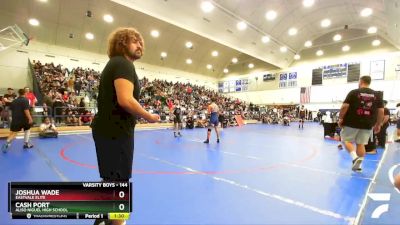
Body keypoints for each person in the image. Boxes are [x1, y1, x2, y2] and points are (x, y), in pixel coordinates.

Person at [90, 27, 160, 225]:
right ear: (122, 43)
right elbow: (125, 100)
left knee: (111, 186)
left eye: (141, 42)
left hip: (109, 131)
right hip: (116, 133)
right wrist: (149, 116)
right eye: (135, 41)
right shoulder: (123, 64)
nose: (140, 45)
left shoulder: (116, 64)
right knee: (118, 187)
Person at [338, 76, 384, 172]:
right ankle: (359, 166)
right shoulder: (377, 95)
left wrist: (341, 118)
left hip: (352, 122)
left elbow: (344, 106)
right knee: (361, 144)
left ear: (361, 81)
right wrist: (378, 124)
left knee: (346, 140)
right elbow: (381, 111)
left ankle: (355, 158)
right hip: (367, 123)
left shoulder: (354, 92)